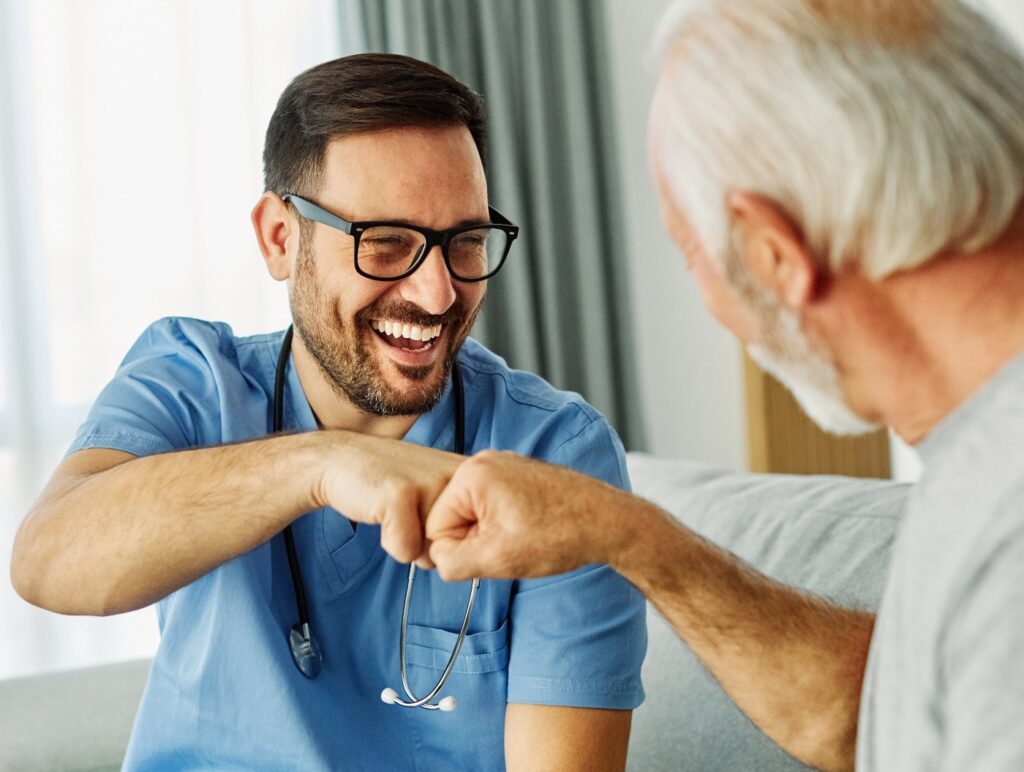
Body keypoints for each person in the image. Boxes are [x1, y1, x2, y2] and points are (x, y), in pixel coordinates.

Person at [423, 1, 1024, 770]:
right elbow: (870, 716)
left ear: (774, 253)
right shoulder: (979, 458)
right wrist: (623, 531)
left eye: (690, 254)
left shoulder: (1006, 528)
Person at [10, 54, 646, 771]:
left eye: (464, 241)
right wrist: (323, 463)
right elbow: (47, 562)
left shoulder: (558, 454)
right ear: (280, 238)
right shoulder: (187, 383)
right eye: (386, 243)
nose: (439, 295)